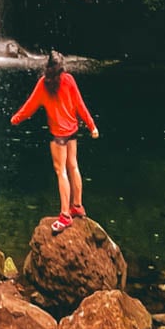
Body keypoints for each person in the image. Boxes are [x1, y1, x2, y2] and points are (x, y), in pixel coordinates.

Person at [11, 51, 100, 234]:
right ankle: (77, 206)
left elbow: (30, 106)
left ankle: (65, 216)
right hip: (73, 131)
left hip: (58, 136)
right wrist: (92, 127)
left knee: (61, 173)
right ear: (61, 68)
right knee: (73, 167)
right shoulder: (69, 80)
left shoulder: (43, 84)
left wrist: (16, 119)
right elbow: (80, 105)